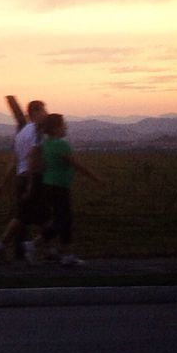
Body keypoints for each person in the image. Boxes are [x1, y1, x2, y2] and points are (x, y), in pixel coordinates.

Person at [37, 113, 103, 266]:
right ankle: (38, 246)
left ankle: (62, 252)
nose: (65, 126)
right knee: (64, 220)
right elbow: (76, 165)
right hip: (60, 186)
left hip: (48, 184)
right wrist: (95, 178)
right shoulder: (61, 145)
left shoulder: (45, 144)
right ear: (55, 128)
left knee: (62, 220)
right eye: (63, 124)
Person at [0, 99, 48, 263]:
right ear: (35, 112)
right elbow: (33, 158)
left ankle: (1, 246)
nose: (46, 114)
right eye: (44, 110)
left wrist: (4, 182)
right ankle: (44, 248)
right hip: (33, 177)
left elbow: (14, 160)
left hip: (21, 177)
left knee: (24, 216)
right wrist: (32, 181)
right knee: (41, 216)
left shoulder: (21, 133)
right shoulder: (37, 132)